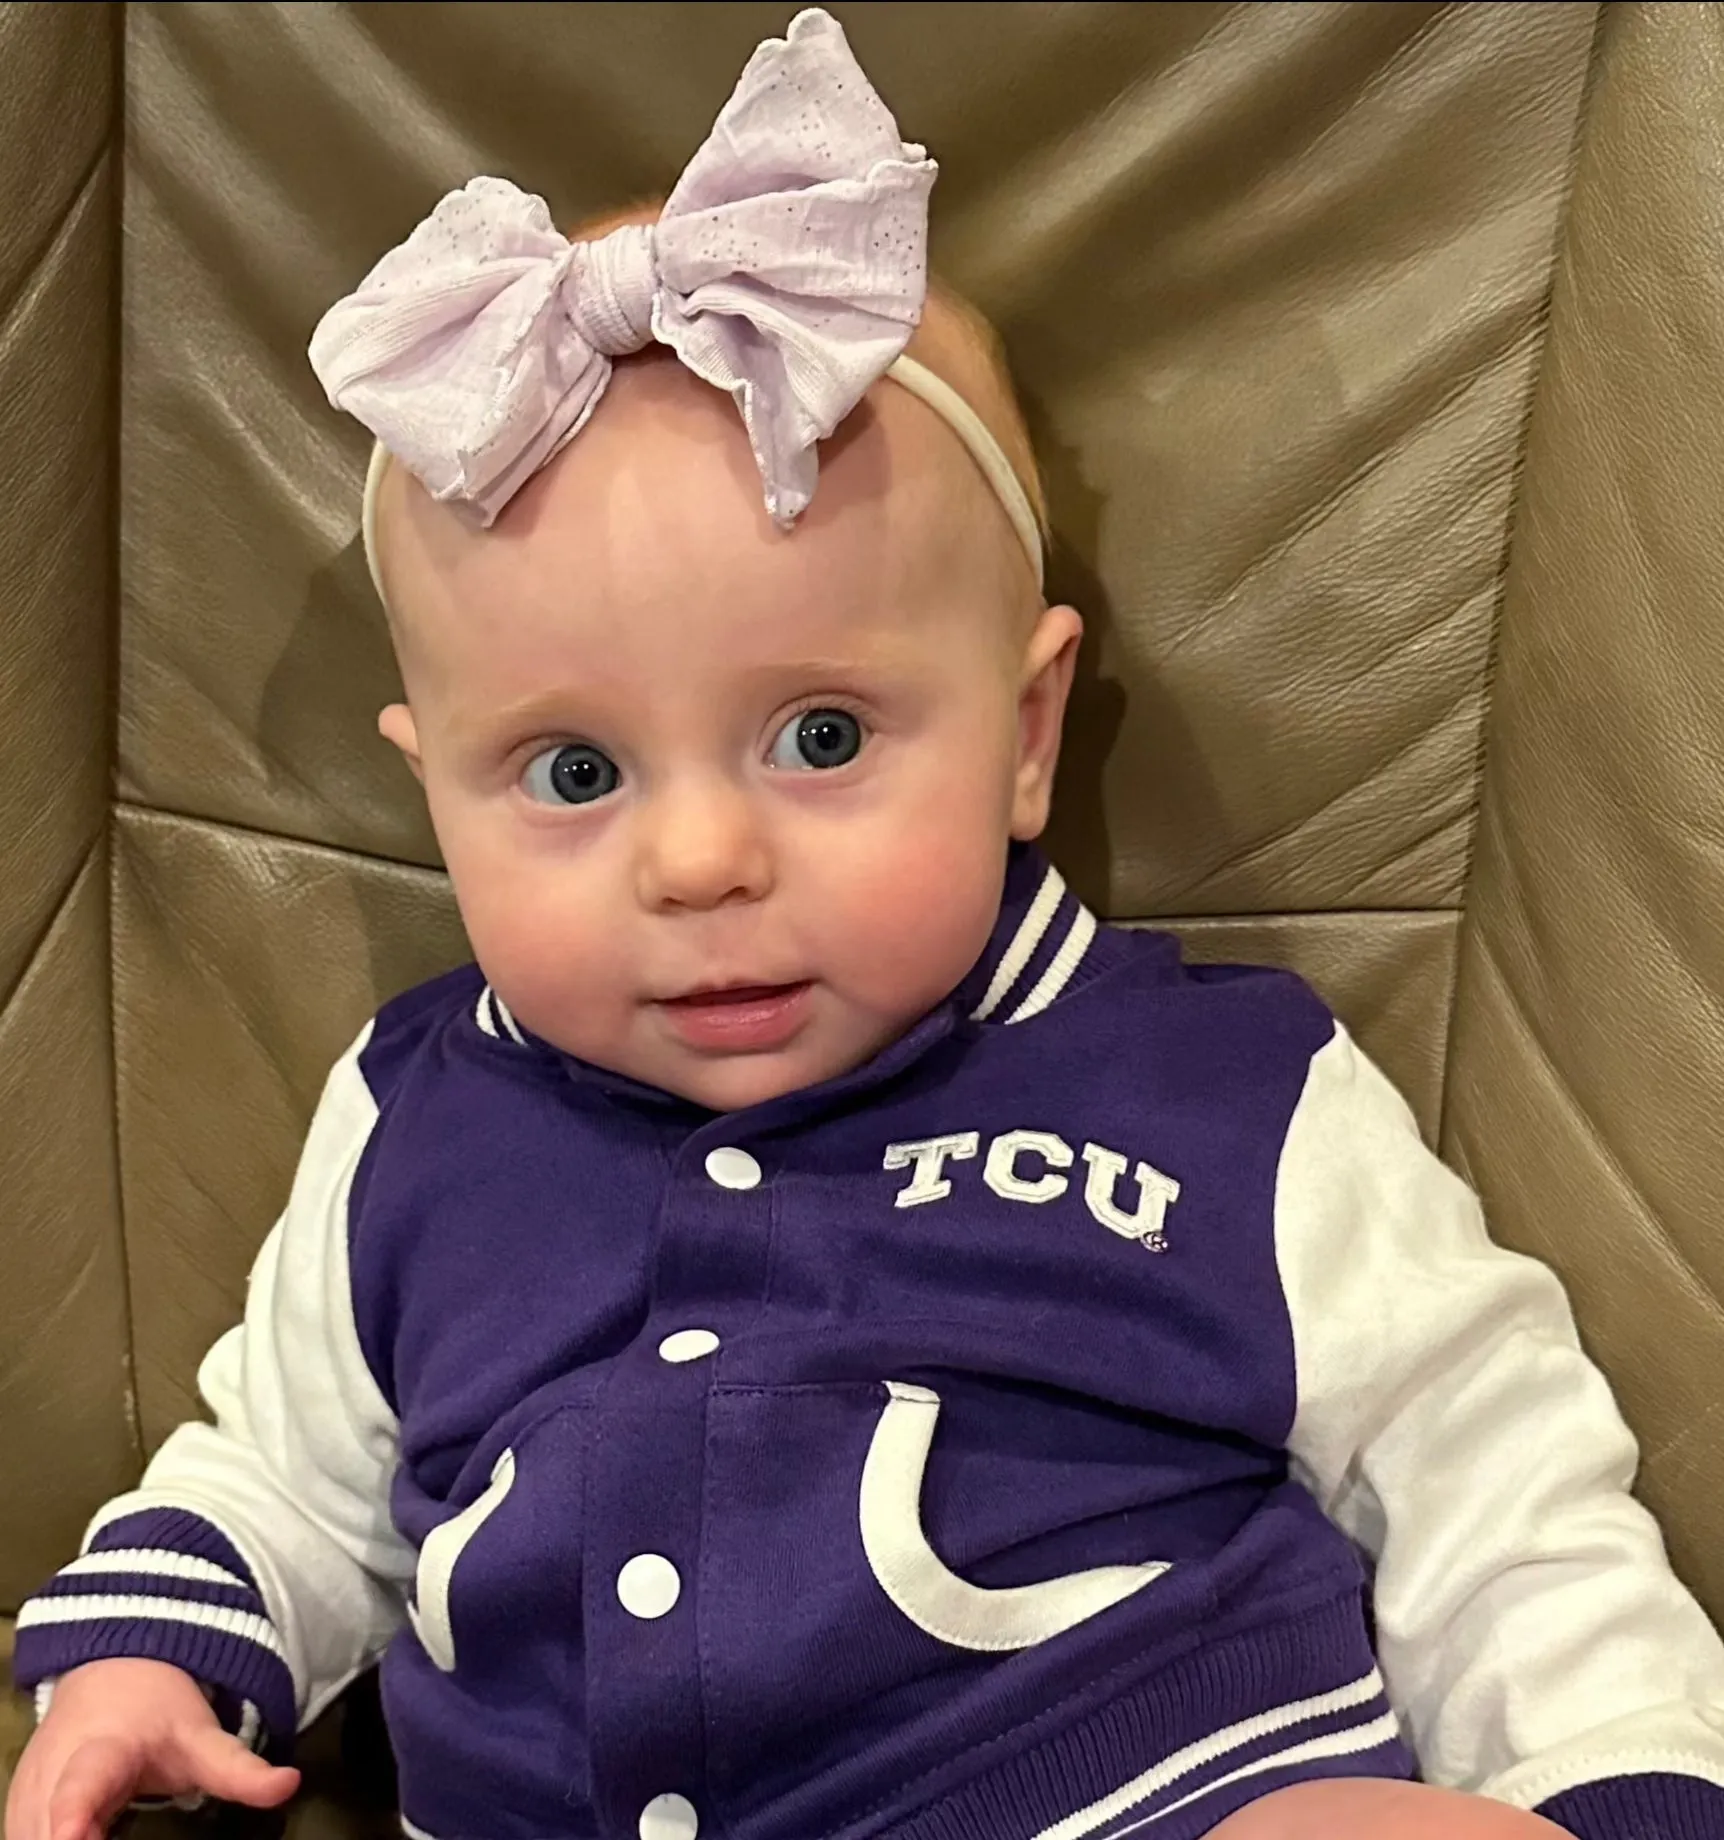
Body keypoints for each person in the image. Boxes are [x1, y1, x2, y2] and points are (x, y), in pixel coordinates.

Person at [9, 12, 1724, 1840]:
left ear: (1027, 732)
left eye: (821, 737)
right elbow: (287, 1471)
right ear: (428, 785)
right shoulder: (414, 1118)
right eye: (572, 773)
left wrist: (1614, 1786)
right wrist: (156, 1652)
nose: (694, 861)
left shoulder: (1228, 1093)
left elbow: (1493, 1476)